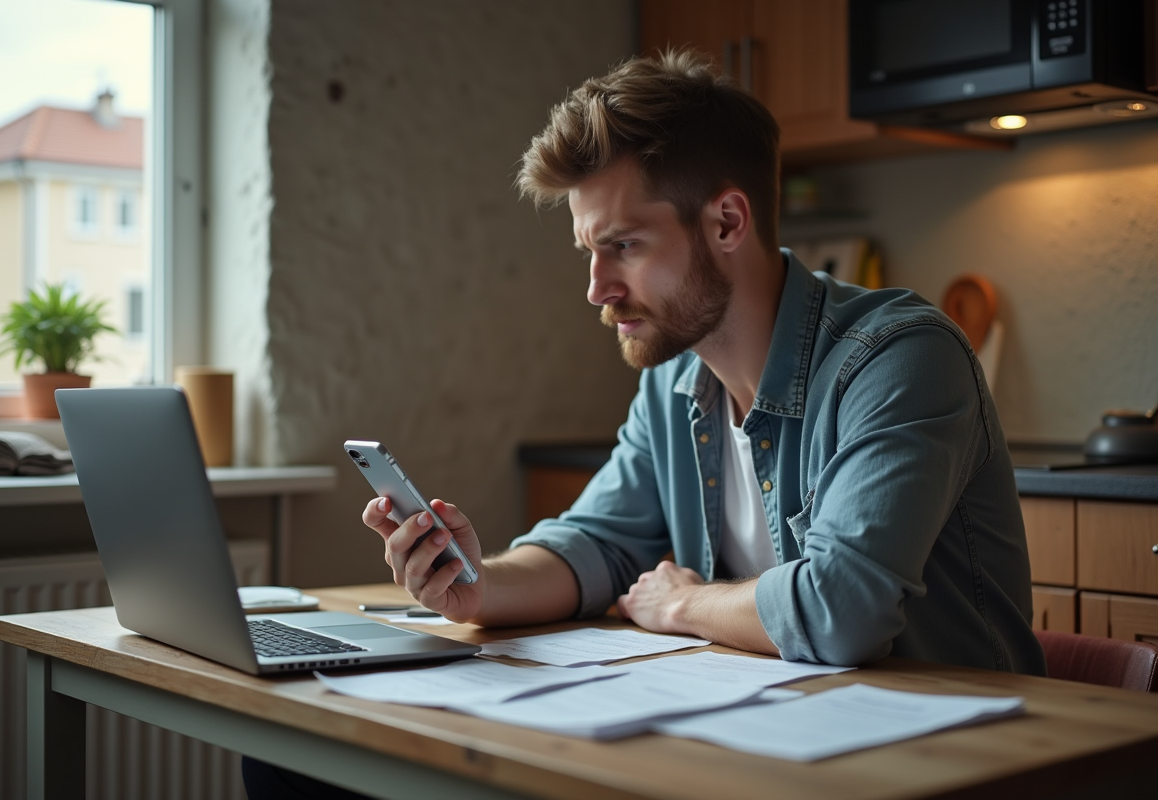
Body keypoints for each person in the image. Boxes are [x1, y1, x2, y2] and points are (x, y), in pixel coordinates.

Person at [244, 48, 1044, 799]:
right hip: (767, 749)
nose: (597, 288)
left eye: (623, 246)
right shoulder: (672, 381)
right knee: (294, 765)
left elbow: (842, 611)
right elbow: (597, 544)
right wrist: (476, 587)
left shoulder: (898, 357)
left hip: (948, 764)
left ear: (727, 223)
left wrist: (682, 605)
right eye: (590, 251)